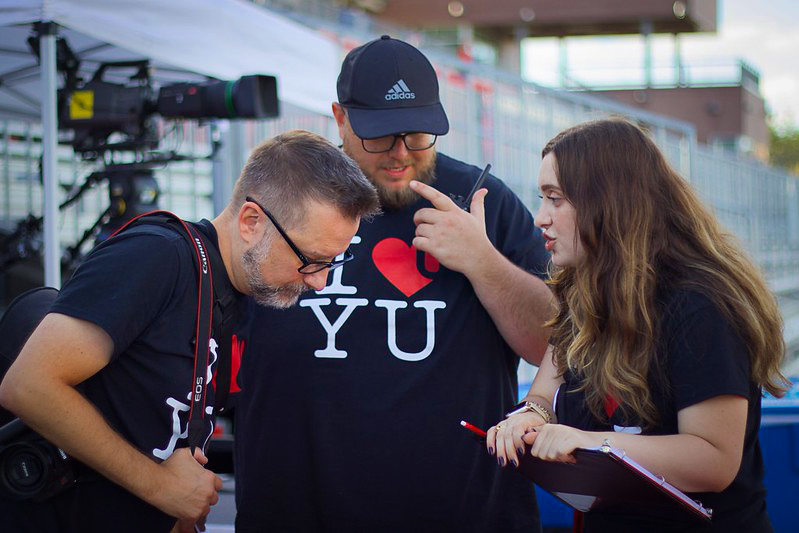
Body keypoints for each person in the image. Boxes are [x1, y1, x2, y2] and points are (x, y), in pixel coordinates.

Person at [234, 35, 554, 531]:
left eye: (418, 134)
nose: (401, 154)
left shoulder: (480, 201)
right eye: (380, 136)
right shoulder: (283, 197)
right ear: (340, 119)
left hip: (464, 514)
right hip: (298, 509)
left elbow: (551, 345)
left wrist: (482, 261)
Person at [0, 130, 380, 533]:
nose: (320, 283)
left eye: (333, 262)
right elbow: (29, 386)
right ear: (251, 222)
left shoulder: (234, 295)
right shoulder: (159, 255)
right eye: (312, 260)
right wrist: (160, 487)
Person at [489, 118, 789, 532]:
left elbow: (715, 459)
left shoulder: (701, 304)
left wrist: (592, 442)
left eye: (555, 199)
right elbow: (544, 390)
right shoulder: (584, 289)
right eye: (542, 198)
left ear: (608, 202)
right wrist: (531, 417)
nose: (540, 218)